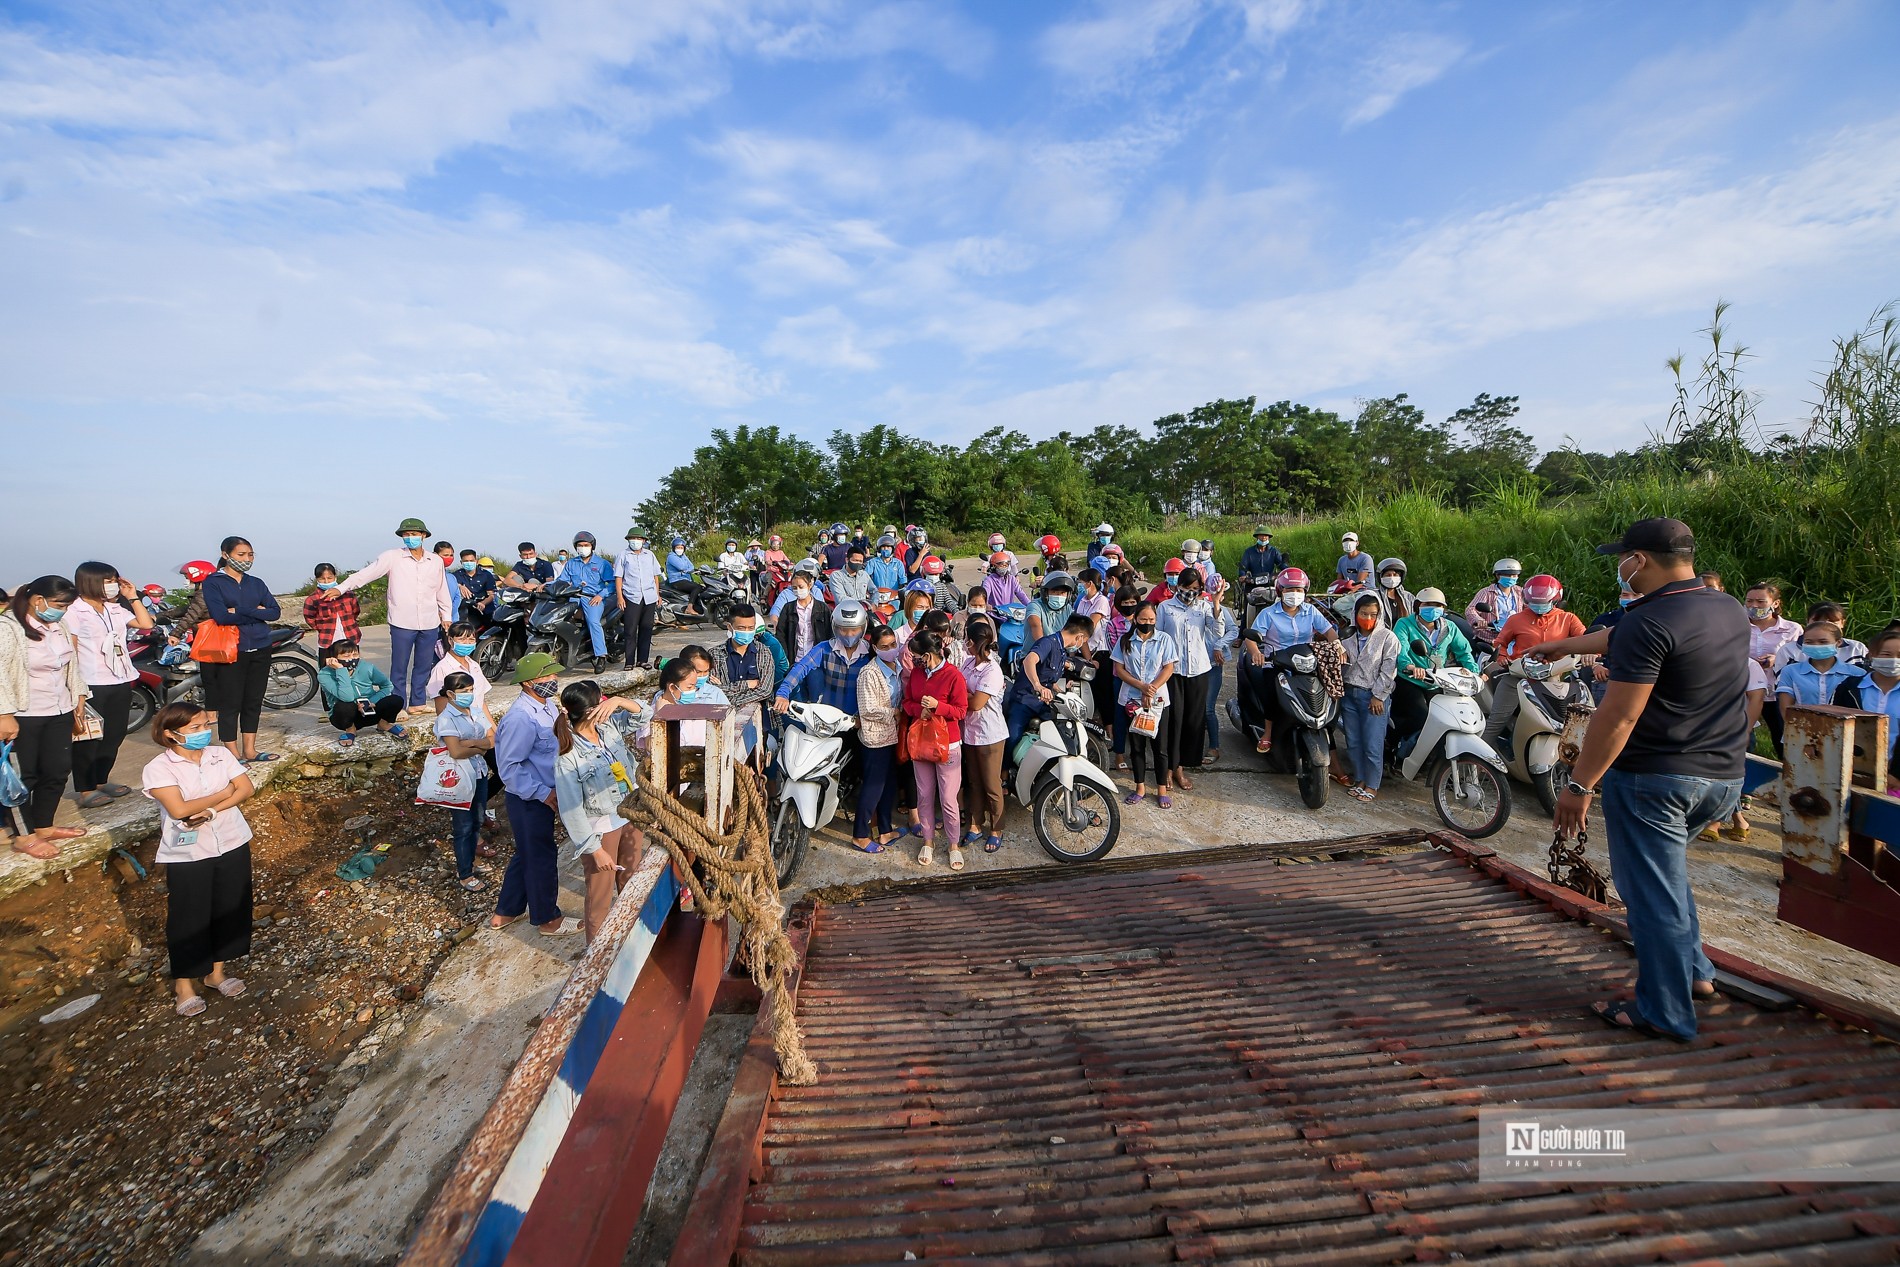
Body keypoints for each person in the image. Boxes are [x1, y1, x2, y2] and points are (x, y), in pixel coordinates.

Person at [1556, 518, 1750, 1043]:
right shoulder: (1725, 607)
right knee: (1666, 879)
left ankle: (1664, 1012)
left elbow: (1617, 718)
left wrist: (1579, 786)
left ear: (1638, 560)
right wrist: (1564, 647)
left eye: (1623, 558)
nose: (1620, 567)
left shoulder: (1649, 621)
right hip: (1725, 779)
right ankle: (1697, 975)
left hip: (1656, 780)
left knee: (1649, 895)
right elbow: (1622, 635)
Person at [141, 703, 255, 1017]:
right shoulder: (159, 768)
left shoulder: (220, 755)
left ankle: (215, 973)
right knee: (188, 917)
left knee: (230, 908)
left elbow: (246, 788)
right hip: (188, 853)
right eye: (194, 729)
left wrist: (213, 809)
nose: (204, 732)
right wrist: (223, 793)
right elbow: (179, 810)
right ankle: (184, 985)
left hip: (232, 840)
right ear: (170, 734)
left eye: (205, 725)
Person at [491, 653, 582, 936]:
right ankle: (547, 919)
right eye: (547, 676)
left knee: (528, 853)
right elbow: (509, 768)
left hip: (545, 791)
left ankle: (506, 911)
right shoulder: (520, 718)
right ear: (530, 682)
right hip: (529, 798)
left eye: (554, 675)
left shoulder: (547, 706)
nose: (553, 680)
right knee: (540, 857)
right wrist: (543, 794)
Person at [0, 576, 90, 859]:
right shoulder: (9, 629)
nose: (63, 612)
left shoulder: (58, 626)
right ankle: (24, 836)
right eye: (60, 605)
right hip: (24, 713)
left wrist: (79, 696)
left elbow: (71, 665)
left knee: (57, 769)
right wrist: (4, 714)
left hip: (58, 709)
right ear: (38, 600)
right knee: (22, 775)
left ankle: (44, 825)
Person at [554, 680, 648, 943]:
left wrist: (619, 701)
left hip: (629, 814)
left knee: (631, 881)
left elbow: (645, 714)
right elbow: (571, 811)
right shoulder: (568, 758)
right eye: (602, 701)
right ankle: (597, 953)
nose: (607, 704)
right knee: (600, 896)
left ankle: (632, 939)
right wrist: (594, 849)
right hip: (602, 829)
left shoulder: (608, 728)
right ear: (590, 710)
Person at [340, 518, 452, 708]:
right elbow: (367, 573)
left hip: (429, 621)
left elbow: (441, 590)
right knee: (399, 667)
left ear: (424, 536)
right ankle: (398, 705)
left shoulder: (435, 561)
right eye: (406, 535)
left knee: (423, 666)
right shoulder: (392, 557)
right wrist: (342, 587)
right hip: (402, 622)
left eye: (415, 534)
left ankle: (418, 702)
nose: (411, 538)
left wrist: (446, 616)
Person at [68, 561, 153, 808]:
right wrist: (76, 688)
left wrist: (133, 597)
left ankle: (101, 780)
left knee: (115, 734)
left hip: (121, 678)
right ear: (90, 581)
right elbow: (71, 650)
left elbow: (146, 625)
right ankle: (85, 789)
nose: (114, 585)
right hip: (91, 681)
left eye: (115, 580)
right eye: (108, 581)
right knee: (89, 737)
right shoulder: (74, 610)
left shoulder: (114, 609)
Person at [1482, 573, 1585, 753]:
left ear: (1555, 599)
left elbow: (1586, 639)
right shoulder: (1516, 619)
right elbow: (1500, 643)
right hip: (1517, 676)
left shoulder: (1567, 619)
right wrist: (1502, 657)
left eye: (1543, 602)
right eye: (1534, 602)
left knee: (1561, 722)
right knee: (1497, 720)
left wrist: (1591, 654)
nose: (1538, 606)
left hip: (1551, 678)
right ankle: (1474, 761)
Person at [1240, 567, 1338, 755]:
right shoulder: (1269, 613)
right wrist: (1256, 653)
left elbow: (1329, 632)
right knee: (1271, 692)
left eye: (1299, 590)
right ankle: (1268, 733)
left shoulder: (1311, 611)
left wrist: (1337, 645)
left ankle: (1327, 739)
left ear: (1305, 592)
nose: (1294, 594)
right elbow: (1251, 638)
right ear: (1280, 591)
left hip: (1307, 664)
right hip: (1277, 664)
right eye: (1289, 590)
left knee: (1329, 692)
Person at [201, 537, 282, 763]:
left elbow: (275, 612)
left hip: (261, 647)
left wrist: (239, 610)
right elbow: (221, 616)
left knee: (253, 701)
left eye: (250, 555)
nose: (247, 559)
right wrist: (256, 611)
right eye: (241, 555)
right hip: (230, 651)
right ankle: (232, 755)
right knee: (230, 703)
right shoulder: (213, 582)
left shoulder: (256, 583)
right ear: (225, 555)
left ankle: (250, 750)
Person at [903, 630, 968, 869]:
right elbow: (907, 702)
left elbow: (961, 711)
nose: (914, 661)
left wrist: (938, 706)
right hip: (921, 741)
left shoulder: (954, 676)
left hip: (948, 743)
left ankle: (953, 845)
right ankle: (928, 841)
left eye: (917, 657)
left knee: (949, 799)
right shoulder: (917, 674)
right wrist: (916, 710)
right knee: (924, 795)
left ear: (929, 655)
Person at [1390, 587, 1479, 754]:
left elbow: (1464, 651)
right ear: (1417, 606)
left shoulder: (1449, 628)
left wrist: (1475, 672)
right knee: (1421, 717)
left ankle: (1432, 755)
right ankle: (1398, 747)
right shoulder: (1404, 624)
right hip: (1410, 680)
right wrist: (1410, 666)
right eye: (1428, 604)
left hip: (1437, 681)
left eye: (1438, 605)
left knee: (1446, 718)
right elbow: (1399, 649)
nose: (1433, 608)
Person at [1156, 567, 1218, 791]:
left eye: (1195, 589)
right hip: (1172, 672)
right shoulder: (1165, 607)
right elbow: (1158, 637)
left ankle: (1182, 765)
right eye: (1186, 588)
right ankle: (1170, 768)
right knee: (1174, 720)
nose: (1189, 592)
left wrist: (1217, 603)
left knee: (1193, 721)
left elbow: (1216, 631)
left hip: (1198, 671)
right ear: (1177, 586)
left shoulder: (1204, 607)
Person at [432, 671, 494, 892]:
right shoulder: (446, 718)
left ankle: (472, 860)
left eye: (470, 690)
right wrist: (478, 745)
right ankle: (465, 873)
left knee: (477, 820)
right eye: (463, 691)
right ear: (450, 694)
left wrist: (471, 743)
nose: (468, 695)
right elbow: (455, 752)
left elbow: (491, 741)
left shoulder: (475, 712)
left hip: (479, 773)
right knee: (463, 826)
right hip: (459, 778)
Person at [1113, 601, 1179, 808]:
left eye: (1151, 620)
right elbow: (1119, 668)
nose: (1148, 623)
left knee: (1160, 747)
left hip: (1158, 701)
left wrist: (1152, 688)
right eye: (1143, 620)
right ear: (1135, 619)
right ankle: (1139, 787)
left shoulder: (1164, 640)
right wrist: (1140, 686)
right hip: (1132, 700)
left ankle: (1161, 789)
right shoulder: (1125, 641)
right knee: (1137, 746)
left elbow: (1168, 668)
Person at [1002, 615, 1095, 759]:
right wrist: (1038, 686)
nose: (1081, 645)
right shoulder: (1048, 642)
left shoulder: (1062, 650)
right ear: (1079, 637)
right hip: (1025, 699)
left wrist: (1059, 690)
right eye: (1084, 641)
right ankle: (1004, 773)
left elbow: (1048, 677)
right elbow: (1029, 661)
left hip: (1044, 703)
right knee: (1013, 737)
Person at [1339, 594, 1399, 802]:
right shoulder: (1347, 638)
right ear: (1355, 614)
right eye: (1363, 613)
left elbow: (1389, 669)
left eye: (1373, 614)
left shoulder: (1388, 638)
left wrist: (1378, 696)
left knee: (1372, 743)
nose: (1368, 618)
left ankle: (1372, 784)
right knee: (1353, 741)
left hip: (1373, 697)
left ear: (1379, 615)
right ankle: (1360, 779)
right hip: (1349, 694)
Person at [851, 624, 905, 853]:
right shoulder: (869, 673)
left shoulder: (898, 667)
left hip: (893, 735)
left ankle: (884, 830)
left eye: (893, 644)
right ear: (875, 648)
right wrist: (893, 712)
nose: (891, 649)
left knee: (889, 784)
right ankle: (860, 834)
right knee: (873, 786)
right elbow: (868, 709)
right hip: (875, 738)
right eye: (885, 647)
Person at [958, 615, 1008, 853]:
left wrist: (962, 698)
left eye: (968, 639)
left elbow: (977, 703)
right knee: (974, 782)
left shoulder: (993, 670)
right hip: (970, 733)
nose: (965, 643)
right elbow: (960, 692)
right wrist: (965, 697)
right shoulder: (968, 664)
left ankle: (997, 828)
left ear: (976, 642)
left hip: (990, 734)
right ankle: (975, 824)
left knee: (991, 783)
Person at [708, 604, 776, 760]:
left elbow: (765, 690)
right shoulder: (715, 655)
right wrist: (747, 685)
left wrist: (728, 695)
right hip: (724, 722)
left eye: (750, 628)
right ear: (730, 627)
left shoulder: (763, 653)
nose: (746, 632)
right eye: (741, 628)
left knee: (760, 770)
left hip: (760, 722)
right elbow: (712, 690)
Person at [1835, 629, 1900, 789]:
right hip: (1850, 771)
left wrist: (1897, 775)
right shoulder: (1850, 687)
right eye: (1886, 654)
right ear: (1871, 655)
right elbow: (1836, 726)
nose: (1894, 660)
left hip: (1895, 778)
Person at [1743, 582, 1801, 756]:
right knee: (1743, 739)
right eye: (1749, 601)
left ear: (1775, 603)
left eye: (1760, 602)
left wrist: (1777, 659)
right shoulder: (1736, 625)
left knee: (1783, 740)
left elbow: (1800, 657)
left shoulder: (1792, 629)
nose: (1754, 606)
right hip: (1744, 691)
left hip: (1778, 692)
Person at [318, 639, 405, 747]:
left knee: (396, 700)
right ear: (334, 658)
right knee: (344, 706)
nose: (352, 659)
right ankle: (350, 730)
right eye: (346, 656)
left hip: (369, 711)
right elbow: (347, 697)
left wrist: (372, 701)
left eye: (355, 654)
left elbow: (387, 685)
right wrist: (340, 670)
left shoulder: (367, 667)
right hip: (346, 717)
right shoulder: (324, 675)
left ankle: (384, 724)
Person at [556, 531, 616, 672]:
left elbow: (612, 584)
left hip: (592, 598)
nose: (583, 547)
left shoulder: (602, 564)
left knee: (593, 622)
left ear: (592, 546)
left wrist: (601, 595)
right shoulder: (571, 563)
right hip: (574, 597)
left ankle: (601, 655)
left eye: (586, 545)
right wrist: (545, 586)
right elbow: (562, 580)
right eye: (580, 545)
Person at [1776, 621, 1863, 709]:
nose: (1816, 646)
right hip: (1803, 722)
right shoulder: (1790, 671)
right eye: (1809, 642)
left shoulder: (1857, 673)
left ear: (1838, 642)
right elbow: (1786, 708)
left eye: (1823, 642)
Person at [613, 527, 662, 670]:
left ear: (644, 541)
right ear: (628, 540)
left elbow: (655, 576)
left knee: (647, 628)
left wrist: (657, 594)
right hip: (631, 596)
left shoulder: (650, 555)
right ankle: (629, 661)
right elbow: (618, 577)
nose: (636, 541)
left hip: (649, 596)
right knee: (630, 629)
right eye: (633, 539)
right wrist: (620, 597)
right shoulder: (623, 555)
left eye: (639, 539)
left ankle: (643, 660)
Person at [426, 620, 496, 717]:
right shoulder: (442, 669)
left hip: (479, 723)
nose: (467, 643)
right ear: (450, 640)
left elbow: (481, 702)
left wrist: (493, 730)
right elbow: (441, 708)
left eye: (471, 640)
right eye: (462, 639)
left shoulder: (474, 666)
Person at [1202, 577, 1236, 763]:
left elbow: (1232, 631)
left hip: (1213, 665)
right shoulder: (1196, 606)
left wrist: (1219, 645)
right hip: (1193, 665)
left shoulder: (1221, 610)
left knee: (1208, 708)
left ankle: (1214, 747)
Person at [302, 563, 362, 667]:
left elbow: (355, 611)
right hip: (327, 641)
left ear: (335, 577)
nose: (326, 581)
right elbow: (309, 617)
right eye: (322, 579)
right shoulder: (313, 599)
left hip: (350, 637)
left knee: (353, 671)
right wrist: (322, 628)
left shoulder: (348, 594)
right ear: (317, 579)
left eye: (330, 578)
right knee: (327, 673)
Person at [774, 565, 833, 663]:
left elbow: (830, 634)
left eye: (801, 587)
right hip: (795, 660)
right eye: (794, 588)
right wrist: (785, 658)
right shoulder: (788, 608)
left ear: (809, 585)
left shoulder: (823, 609)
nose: (797, 590)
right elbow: (781, 634)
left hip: (817, 661)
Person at [1464, 558, 1524, 646]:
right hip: (1490, 638)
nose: (1511, 578)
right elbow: (1471, 609)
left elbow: (1528, 607)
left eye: (1514, 575)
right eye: (1507, 575)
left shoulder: (1520, 591)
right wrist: (1479, 620)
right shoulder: (1486, 592)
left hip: (1515, 637)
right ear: (1497, 575)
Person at [1025, 571, 1076, 646]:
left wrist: (1087, 657)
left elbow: (1073, 632)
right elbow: (1036, 629)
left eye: (1062, 593)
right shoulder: (1035, 606)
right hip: (1036, 655)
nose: (1058, 596)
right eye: (1054, 592)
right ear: (1045, 593)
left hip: (1061, 654)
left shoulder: (1067, 608)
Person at [455, 550, 499, 621]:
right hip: (464, 609)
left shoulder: (486, 575)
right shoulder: (456, 575)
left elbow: (491, 595)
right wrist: (459, 586)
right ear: (461, 562)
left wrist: (483, 603)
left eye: (471, 560)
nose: (469, 563)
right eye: (466, 561)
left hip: (485, 607)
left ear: (476, 561)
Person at [1373, 558, 1414, 627]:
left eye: (1395, 575)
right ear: (1380, 577)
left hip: (1403, 635)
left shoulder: (1408, 597)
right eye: (1388, 575)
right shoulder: (1374, 596)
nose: (1392, 578)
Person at [433, 540, 460, 621]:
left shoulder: (451, 577)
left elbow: (457, 597)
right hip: (433, 619)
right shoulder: (428, 575)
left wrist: (448, 613)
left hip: (451, 619)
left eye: (451, 555)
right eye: (445, 555)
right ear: (435, 555)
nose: (449, 558)